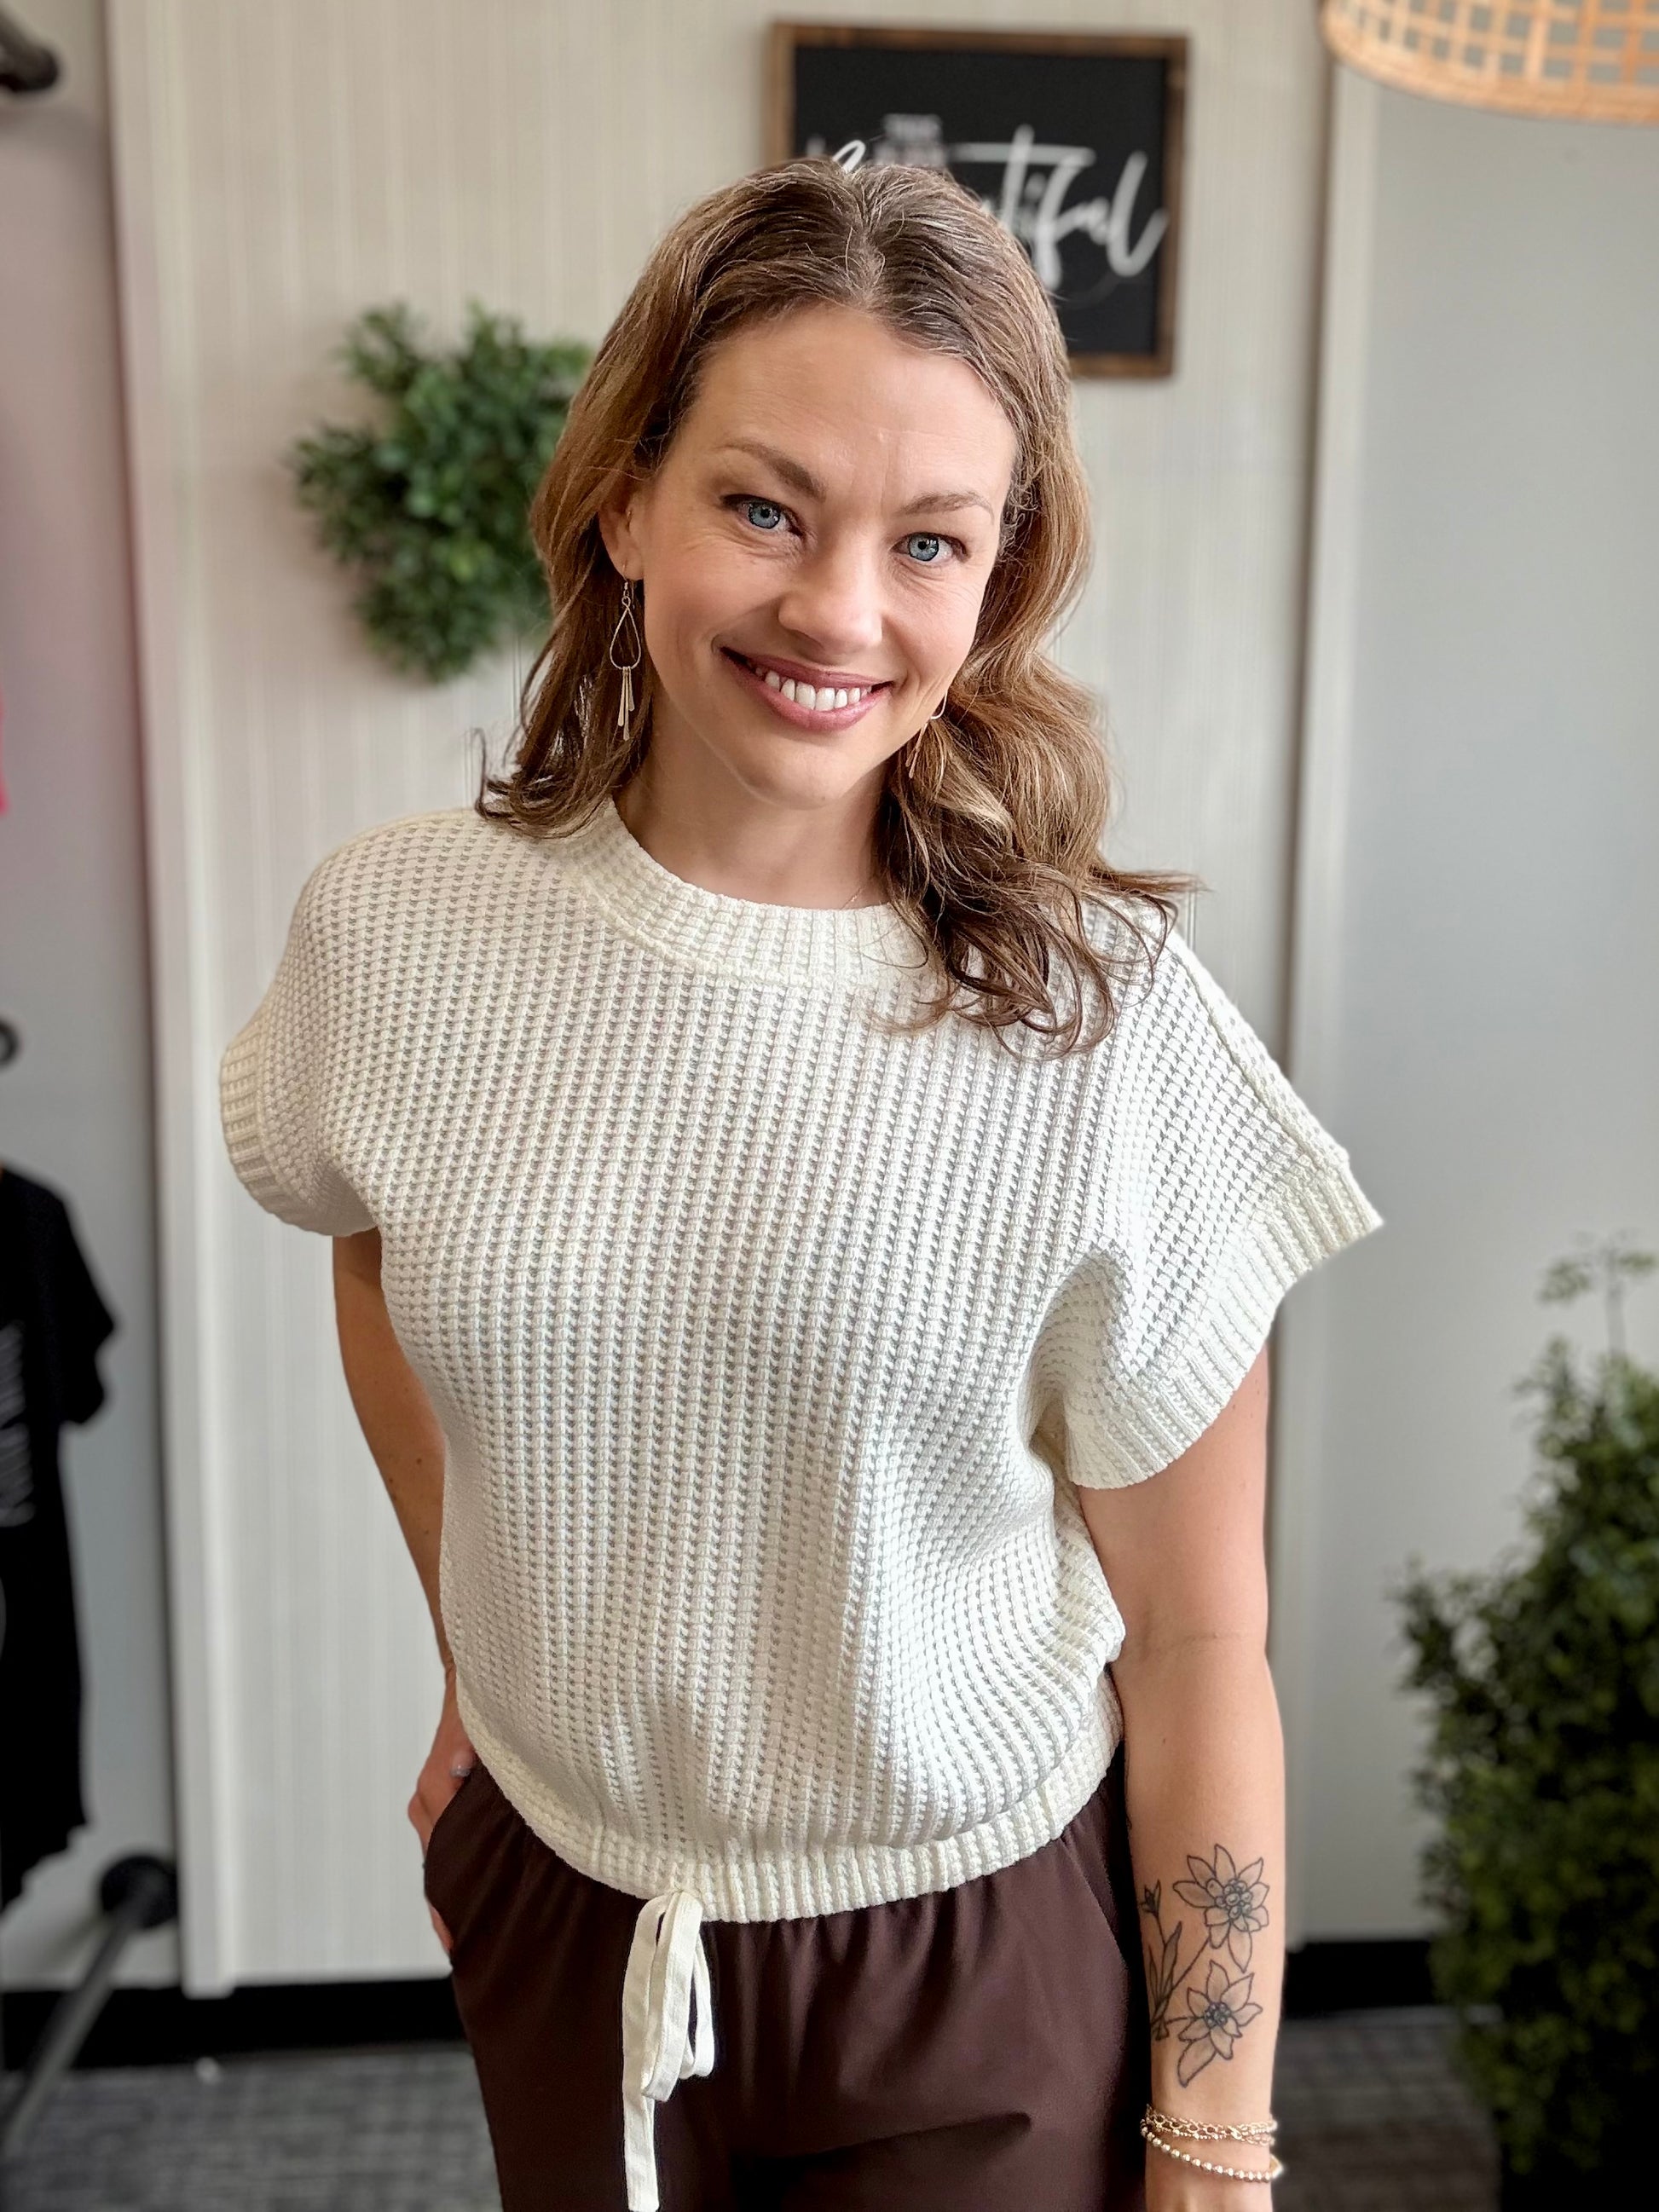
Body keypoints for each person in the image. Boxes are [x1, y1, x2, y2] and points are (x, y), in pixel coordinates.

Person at [221, 150, 1381, 2212]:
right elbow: (377, 1253)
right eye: (765, 506)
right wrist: (479, 1658)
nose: (840, 611)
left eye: (928, 539)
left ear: (997, 576)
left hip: (965, 1950)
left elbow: (1202, 1637)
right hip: (566, 1905)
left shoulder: (1105, 1026)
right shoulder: (395, 934)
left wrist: (1216, 2141)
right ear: (625, 500)